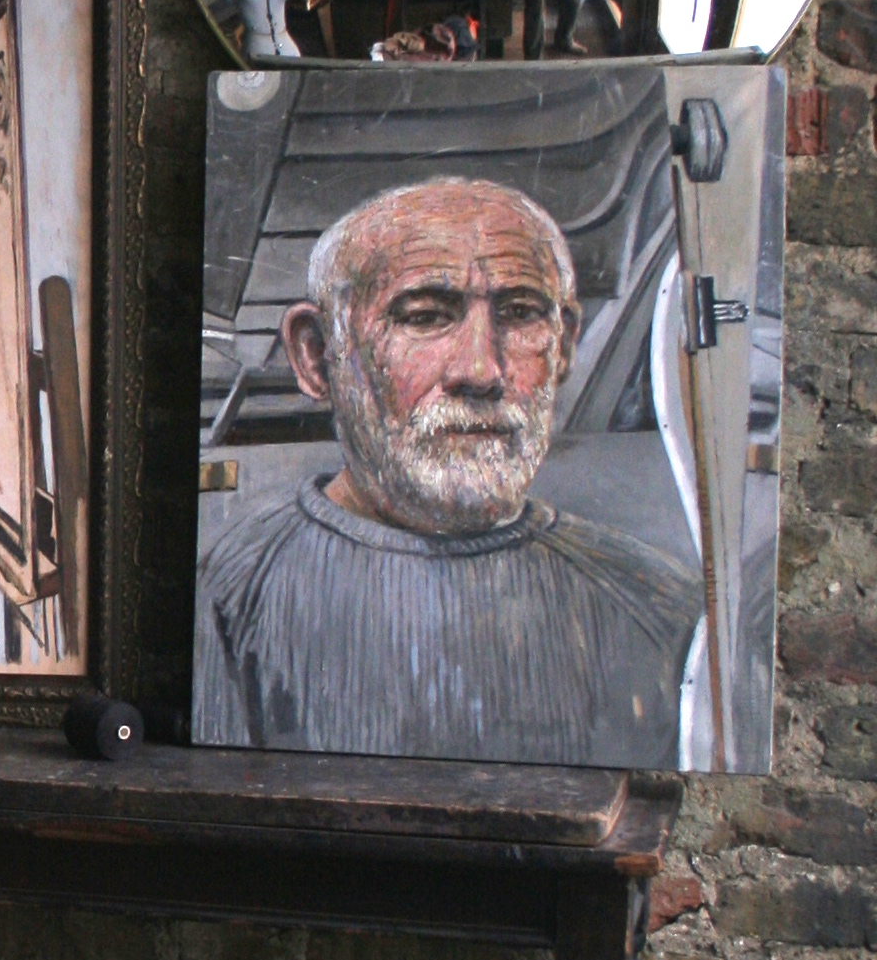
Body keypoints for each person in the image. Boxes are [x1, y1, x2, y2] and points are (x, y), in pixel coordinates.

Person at [194, 176, 701, 767]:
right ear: (316, 355)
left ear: (563, 347)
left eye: (520, 314)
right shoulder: (227, 600)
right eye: (426, 316)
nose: (481, 370)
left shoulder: (664, 613)